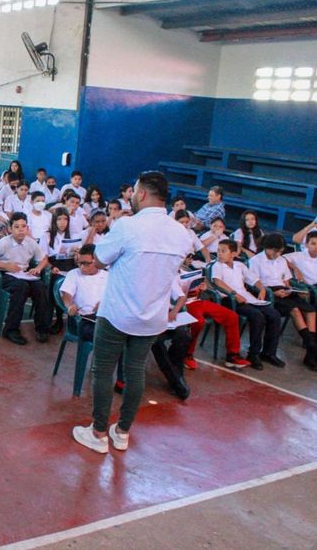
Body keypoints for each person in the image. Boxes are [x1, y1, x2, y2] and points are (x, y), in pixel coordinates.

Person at [71, 171, 191, 455]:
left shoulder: (128, 226)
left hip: (117, 313)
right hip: (152, 316)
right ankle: (122, 431)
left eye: (134, 191)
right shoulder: (180, 232)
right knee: (135, 370)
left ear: (141, 194)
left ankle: (98, 432)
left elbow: (98, 260)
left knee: (102, 369)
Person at [249, 233, 317, 371]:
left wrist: (291, 290)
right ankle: (314, 349)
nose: (278, 254)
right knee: (295, 310)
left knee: (311, 311)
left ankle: (310, 353)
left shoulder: (281, 260)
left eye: (280, 251)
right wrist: (273, 293)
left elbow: (286, 280)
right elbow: (255, 284)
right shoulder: (256, 261)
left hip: (283, 290)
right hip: (268, 292)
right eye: (276, 251)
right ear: (268, 248)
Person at [210, 239, 283, 370]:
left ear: (233, 254)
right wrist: (234, 294)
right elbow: (217, 282)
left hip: (246, 298)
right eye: (218, 251)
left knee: (274, 315)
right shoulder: (217, 266)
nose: (219, 254)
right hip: (229, 300)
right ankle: (253, 354)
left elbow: (253, 279)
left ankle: (268, 352)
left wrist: (261, 289)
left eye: (223, 251)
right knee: (257, 317)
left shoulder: (240, 265)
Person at [0, 212, 52, 345]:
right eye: (17, 226)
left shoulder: (30, 242)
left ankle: (42, 328)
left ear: (27, 228)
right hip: (5, 275)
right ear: (10, 229)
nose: (20, 230)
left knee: (40, 287)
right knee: (21, 288)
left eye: (23, 226)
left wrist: (38, 269)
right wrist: (5, 265)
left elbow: (43, 259)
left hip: (23, 274)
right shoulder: (3, 243)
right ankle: (11, 329)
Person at [176, 256, 248, 370]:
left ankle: (232, 355)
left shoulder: (187, 271)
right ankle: (187, 354)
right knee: (198, 322)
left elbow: (206, 287)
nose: (189, 260)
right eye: (187, 257)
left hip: (197, 301)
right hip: (182, 305)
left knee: (231, 316)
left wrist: (203, 287)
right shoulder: (167, 273)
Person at [59, 244, 109, 344]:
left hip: (103, 318)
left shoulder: (107, 275)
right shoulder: (74, 274)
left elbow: (114, 297)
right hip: (82, 320)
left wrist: (105, 303)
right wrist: (70, 306)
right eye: (80, 263)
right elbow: (66, 294)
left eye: (86, 263)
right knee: (106, 337)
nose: (82, 267)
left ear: (96, 261)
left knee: (121, 335)